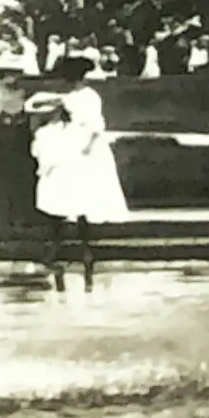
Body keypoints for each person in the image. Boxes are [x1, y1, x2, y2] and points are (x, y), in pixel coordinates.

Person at [31, 56, 129, 268]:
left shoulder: (89, 96)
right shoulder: (71, 96)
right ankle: (59, 247)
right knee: (63, 192)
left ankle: (84, 249)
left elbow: (96, 125)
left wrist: (88, 147)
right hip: (71, 142)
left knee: (83, 197)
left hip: (84, 147)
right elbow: (37, 103)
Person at [0, 70, 37, 235]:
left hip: (21, 140)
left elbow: (30, 119)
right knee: (1, 179)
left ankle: (22, 216)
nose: (13, 77)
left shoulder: (24, 93)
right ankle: (2, 219)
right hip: (1, 140)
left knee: (23, 178)